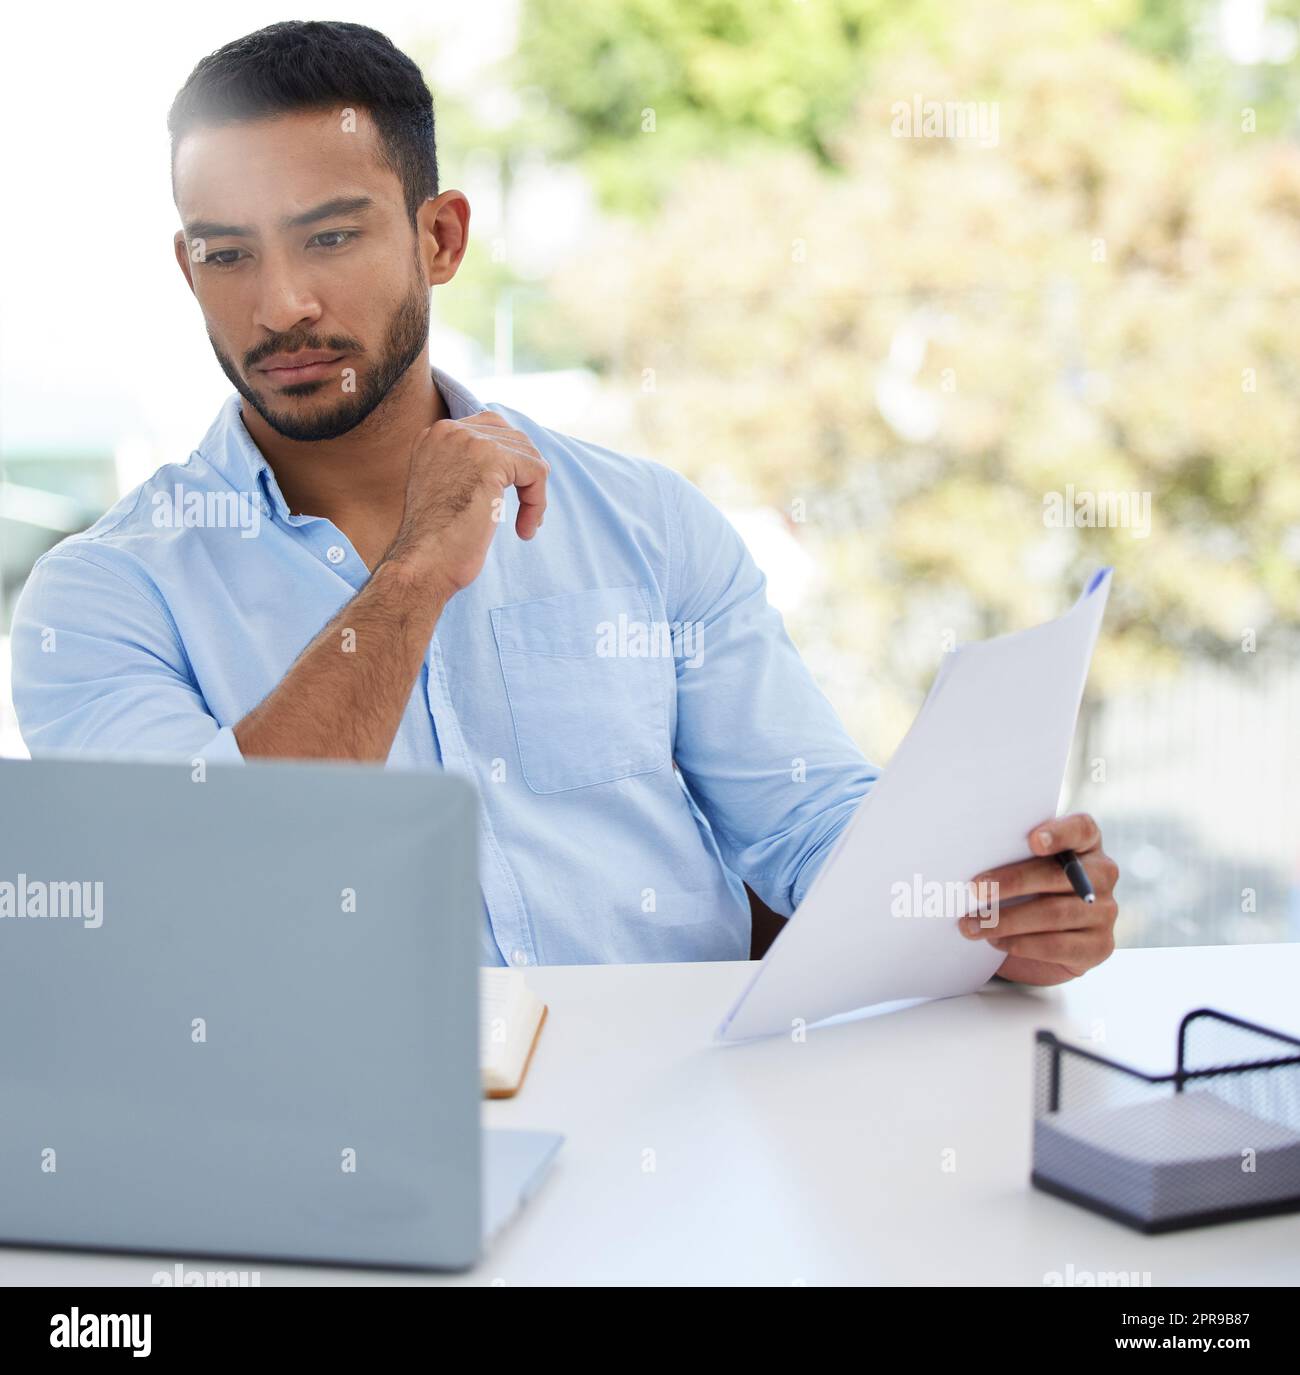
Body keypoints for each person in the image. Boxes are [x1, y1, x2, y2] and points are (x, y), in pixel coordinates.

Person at [11, 21, 1119, 976]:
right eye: (227, 255)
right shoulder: (103, 597)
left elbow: (804, 822)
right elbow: (202, 885)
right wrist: (414, 575)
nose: (280, 303)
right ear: (187, 267)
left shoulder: (647, 523)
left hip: (671, 1132)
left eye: (331, 237)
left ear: (438, 238)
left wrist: (983, 901)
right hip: (323, 1144)